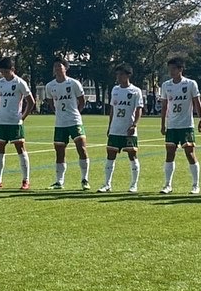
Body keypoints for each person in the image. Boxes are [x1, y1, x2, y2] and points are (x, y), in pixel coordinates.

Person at [0, 57, 35, 190]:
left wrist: (23, 117)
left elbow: (31, 101)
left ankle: (25, 180)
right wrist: (1, 109)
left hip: (15, 122)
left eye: (6, 71)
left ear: (12, 69)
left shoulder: (20, 83)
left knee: (20, 149)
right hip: (1, 121)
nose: (4, 74)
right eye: (2, 72)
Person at [159, 56, 201, 195]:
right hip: (172, 126)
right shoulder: (166, 85)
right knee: (169, 154)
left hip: (186, 125)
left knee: (190, 154)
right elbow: (165, 106)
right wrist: (163, 124)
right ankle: (167, 185)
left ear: (180, 69)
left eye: (173, 69)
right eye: (169, 69)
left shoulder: (190, 84)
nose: (171, 72)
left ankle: (196, 185)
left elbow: (197, 103)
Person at [97, 63, 144, 193]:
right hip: (115, 129)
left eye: (121, 74)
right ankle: (107, 184)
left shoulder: (135, 91)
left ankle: (134, 185)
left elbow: (139, 109)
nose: (118, 77)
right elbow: (112, 109)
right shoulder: (115, 90)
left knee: (132, 155)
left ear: (128, 75)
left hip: (128, 129)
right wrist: (109, 126)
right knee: (110, 155)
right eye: (117, 74)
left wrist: (134, 125)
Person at [45, 57, 90, 190]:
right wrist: (58, 113)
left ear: (65, 68)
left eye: (60, 66)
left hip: (75, 121)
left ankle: (85, 179)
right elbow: (50, 103)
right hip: (60, 123)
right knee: (59, 152)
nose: (57, 69)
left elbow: (82, 101)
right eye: (55, 66)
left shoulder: (74, 83)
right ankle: (59, 182)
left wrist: (76, 113)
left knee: (81, 149)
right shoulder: (50, 86)